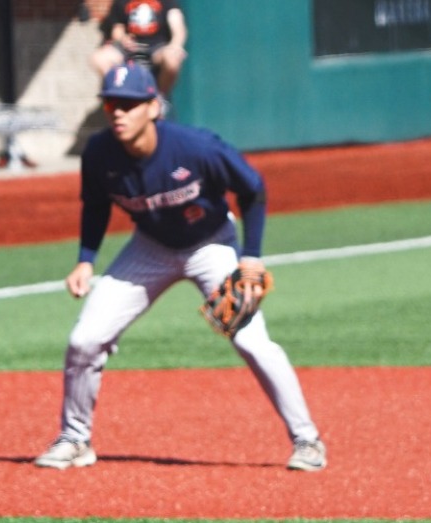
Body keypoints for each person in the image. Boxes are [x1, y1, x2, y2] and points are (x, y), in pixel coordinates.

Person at [34, 63, 325, 473]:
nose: (119, 112)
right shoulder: (100, 153)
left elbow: (252, 188)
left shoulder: (196, 148)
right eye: (112, 104)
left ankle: (307, 440)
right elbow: (95, 206)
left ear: (153, 107)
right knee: (84, 340)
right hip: (150, 249)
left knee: (250, 340)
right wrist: (86, 259)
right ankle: (74, 439)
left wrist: (251, 255)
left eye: (130, 104)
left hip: (212, 247)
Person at [90, 0, 186, 97]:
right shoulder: (121, 2)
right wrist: (123, 38)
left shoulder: (168, 2)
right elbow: (117, 29)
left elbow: (178, 29)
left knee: (172, 58)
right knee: (99, 58)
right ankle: (117, 94)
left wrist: (175, 45)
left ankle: (159, 98)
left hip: (157, 49)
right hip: (129, 50)